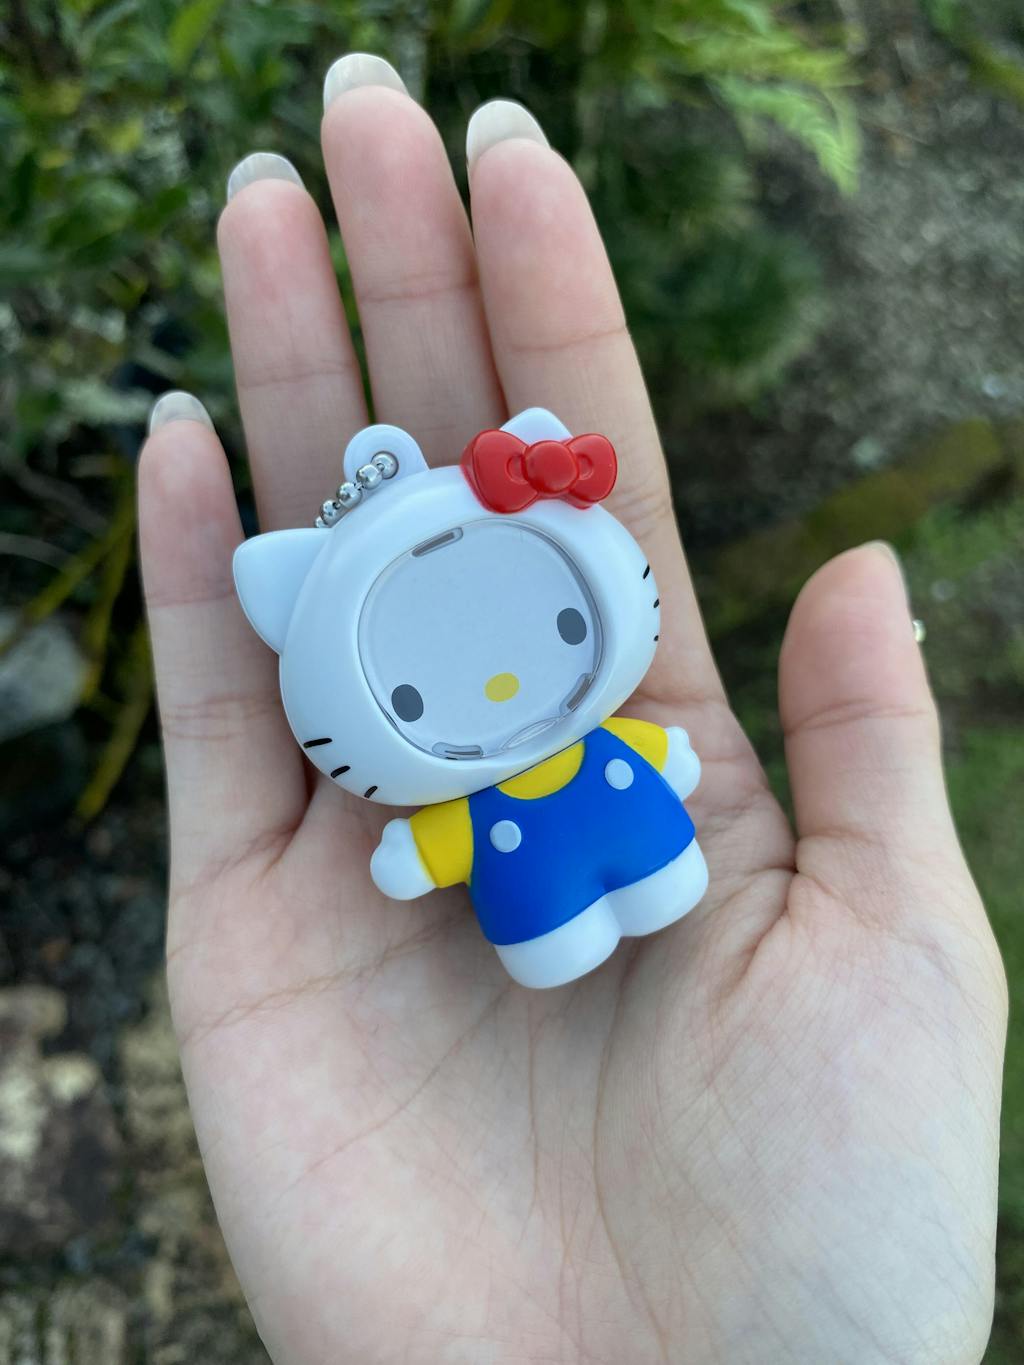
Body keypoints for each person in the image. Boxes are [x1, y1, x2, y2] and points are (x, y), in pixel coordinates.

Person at [137, 52, 1007, 1365]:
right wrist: (414, 845)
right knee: (555, 923)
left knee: (658, 867)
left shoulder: (585, 715)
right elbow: (430, 839)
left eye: (546, 632)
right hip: (531, 876)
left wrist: (642, 758)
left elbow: (628, 749)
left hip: (628, 815)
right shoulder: (460, 768)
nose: (495, 688)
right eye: (419, 690)